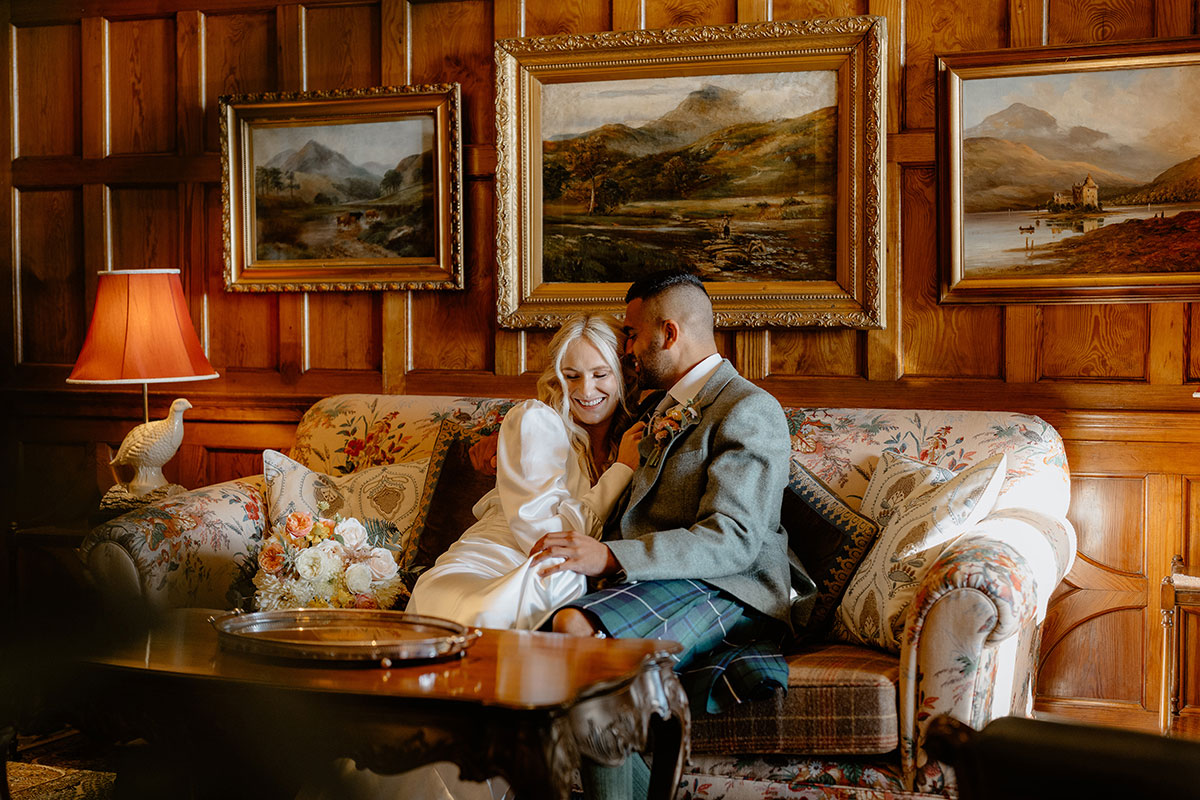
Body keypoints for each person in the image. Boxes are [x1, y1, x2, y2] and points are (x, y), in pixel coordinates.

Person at [531, 269, 795, 799]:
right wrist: (504, 446)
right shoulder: (657, 406)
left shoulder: (749, 408)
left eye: (631, 334)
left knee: (582, 636)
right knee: (540, 661)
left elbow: (734, 538)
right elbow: (581, 413)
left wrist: (609, 557)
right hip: (657, 583)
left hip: (728, 584)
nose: (627, 349)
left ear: (668, 334)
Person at [407, 312, 645, 631]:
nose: (587, 391)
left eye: (601, 374)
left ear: (625, 376)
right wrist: (619, 473)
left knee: (564, 579)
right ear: (557, 378)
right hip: (489, 564)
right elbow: (545, 537)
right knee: (557, 579)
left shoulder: (634, 435)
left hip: (553, 570)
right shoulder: (535, 422)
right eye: (572, 376)